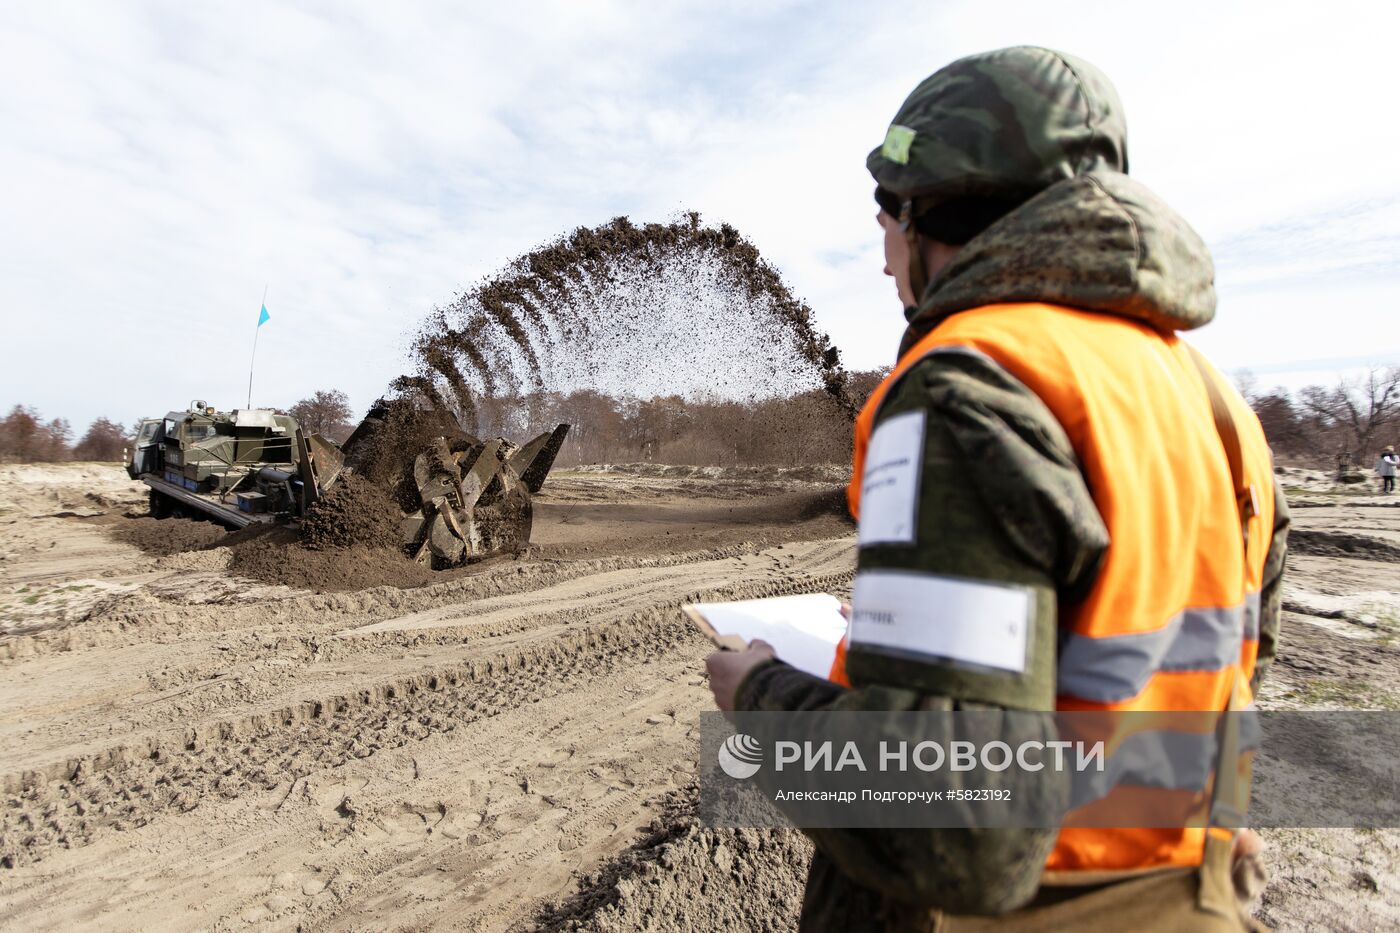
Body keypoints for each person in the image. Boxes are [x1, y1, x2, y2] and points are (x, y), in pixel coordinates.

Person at [705, 46, 1290, 930]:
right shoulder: (1210, 400)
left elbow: (954, 825)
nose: (884, 263)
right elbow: (1220, 662)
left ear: (932, 213)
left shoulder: (969, 388)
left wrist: (757, 693)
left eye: (886, 228)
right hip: (1189, 892)